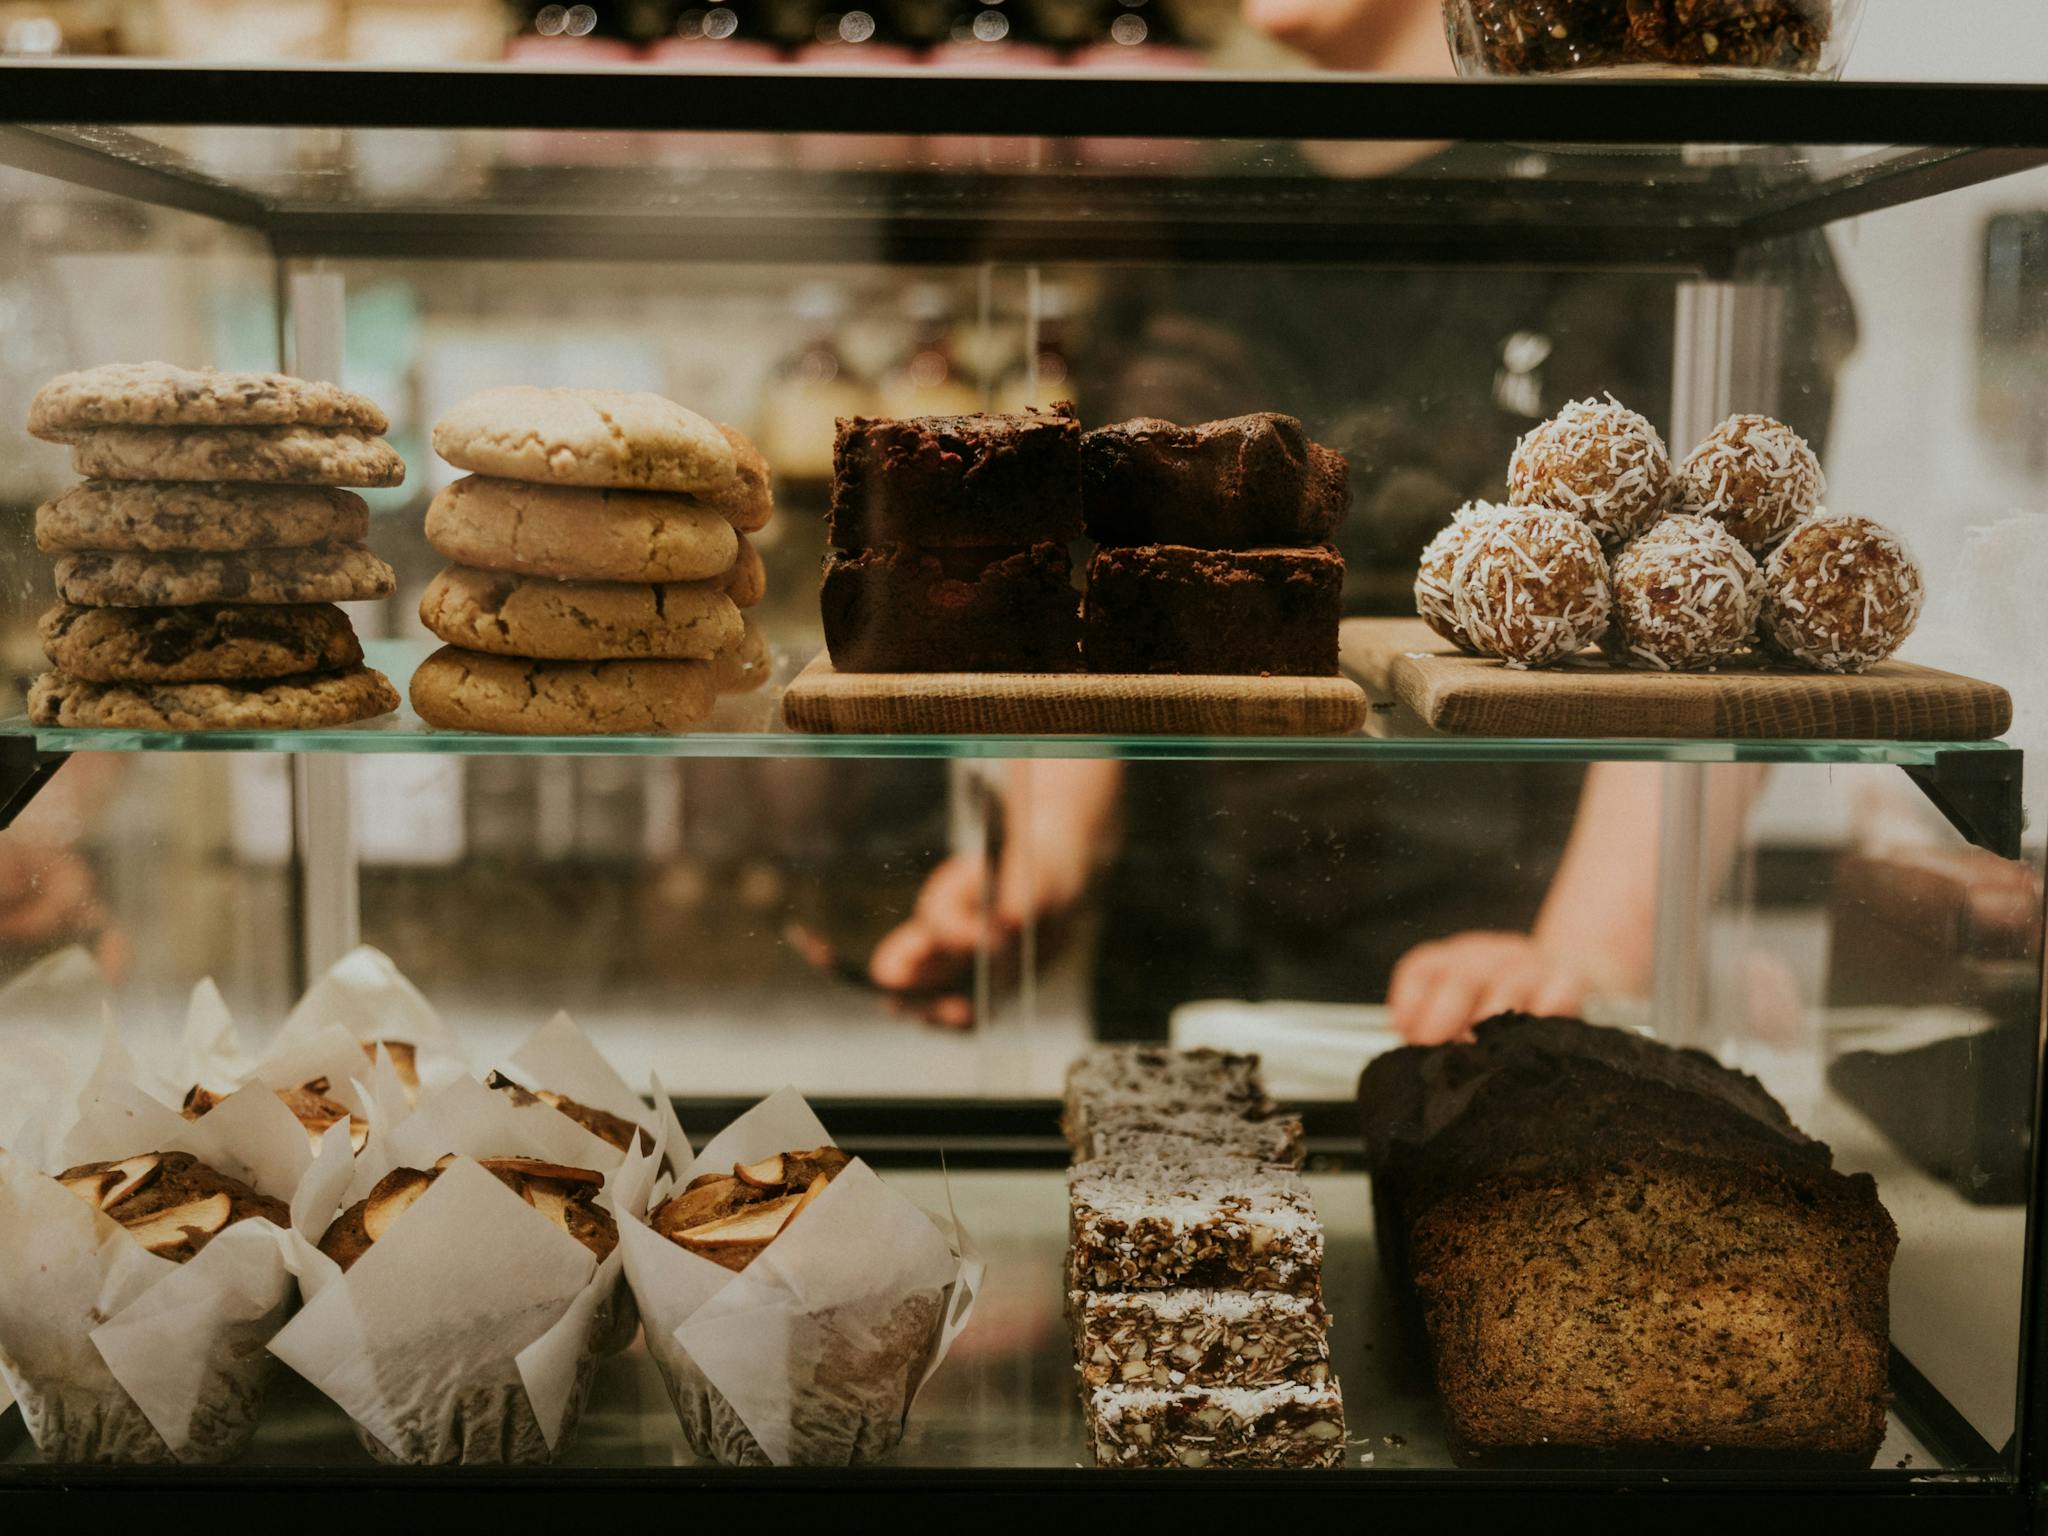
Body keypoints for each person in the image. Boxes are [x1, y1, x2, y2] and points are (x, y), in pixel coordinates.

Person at [866, 0, 1854, 1045]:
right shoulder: (1204, 198)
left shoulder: (1655, 173)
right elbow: (1113, 570)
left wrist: (1584, 958)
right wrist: (1040, 861)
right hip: (1188, 963)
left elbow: (1729, 609)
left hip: (1504, 975)